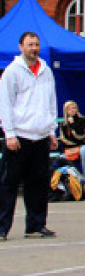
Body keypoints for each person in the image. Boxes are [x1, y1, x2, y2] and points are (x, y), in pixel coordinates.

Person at [0, 31, 59, 240]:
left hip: (40, 136)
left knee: (38, 183)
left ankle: (35, 224)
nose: (33, 49)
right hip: (19, 136)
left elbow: (51, 103)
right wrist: (9, 133)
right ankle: (1, 226)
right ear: (20, 47)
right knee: (8, 183)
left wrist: (51, 130)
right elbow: (5, 104)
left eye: (36, 45)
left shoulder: (46, 71)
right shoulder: (12, 72)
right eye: (29, 45)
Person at [59, 100, 85, 180]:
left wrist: (72, 125)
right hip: (69, 148)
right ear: (66, 111)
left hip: (81, 146)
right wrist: (74, 143)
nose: (72, 110)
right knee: (61, 158)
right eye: (69, 109)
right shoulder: (63, 124)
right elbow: (63, 139)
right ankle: (72, 179)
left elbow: (82, 135)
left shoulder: (83, 120)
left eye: (74, 108)